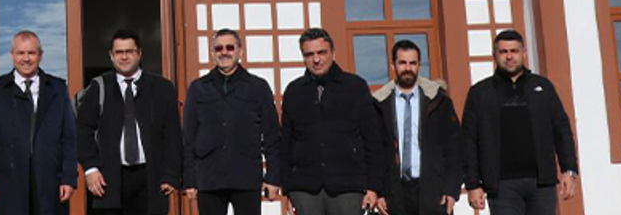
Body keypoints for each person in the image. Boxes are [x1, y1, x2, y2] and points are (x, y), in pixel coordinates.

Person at [462, 30, 578, 215]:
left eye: (514, 51)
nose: (509, 57)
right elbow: (469, 141)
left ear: (524, 53)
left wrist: (569, 170)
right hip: (502, 186)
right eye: (503, 52)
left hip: (542, 184)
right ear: (495, 55)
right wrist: (472, 184)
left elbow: (561, 130)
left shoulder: (543, 87)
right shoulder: (480, 93)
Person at [77, 29, 182, 215]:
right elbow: (82, 131)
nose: (124, 57)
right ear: (111, 55)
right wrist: (90, 169)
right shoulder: (98, 87)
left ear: (139, 53)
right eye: (119, 52)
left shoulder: (162, 88)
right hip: (109, 179)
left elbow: (172, 135)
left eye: (129, 51)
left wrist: (171, 174)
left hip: (151, 178)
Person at [280, 28, 383, 215]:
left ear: (333, 53)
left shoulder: (355, 87)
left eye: (321, 52)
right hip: (305, 187)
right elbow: (286, 142)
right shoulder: (294, 91)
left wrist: (373, 187)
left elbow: (372, 139)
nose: (316, 59)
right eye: (309, 54)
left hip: (349, 185)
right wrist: (286, 189)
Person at [180, 29, 281, 215]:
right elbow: (188, 138)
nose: (224, 52)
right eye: (218, 48)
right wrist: (189, 179)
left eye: (229, 47)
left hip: (246, 176)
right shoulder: (198, 88)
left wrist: (273, 177)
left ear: (240, 51)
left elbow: (272, 135)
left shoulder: (258, 87)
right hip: (209, 177)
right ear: (212, 53)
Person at [0, 30, 78, 215]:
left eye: (31, 53)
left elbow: (69, 138)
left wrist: (69, 177)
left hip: (50, 180)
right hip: (8, 180)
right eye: (20, 53)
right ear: (12, 55)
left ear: (40, 55)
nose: (26, 59)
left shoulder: (57, 88)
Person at [372, 40, 462, 215]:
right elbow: (376, 150)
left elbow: (454, 148)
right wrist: (379, 191)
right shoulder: (380, 104)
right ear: (393, 65)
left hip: (433, 189)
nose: (408, 68)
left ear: (420, 66)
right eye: (402, 63)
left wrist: (451, 189)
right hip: (394, 191)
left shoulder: (438, 101)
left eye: (413, 63)